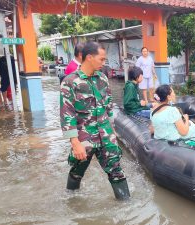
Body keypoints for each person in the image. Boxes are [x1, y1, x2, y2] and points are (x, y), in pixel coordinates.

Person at [60, 41, 130, 200]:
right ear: (89, 57)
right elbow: (66, 114)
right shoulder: (70, 82)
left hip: (106, 134)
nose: (104, 63)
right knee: (78, 172)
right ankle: (72, 200)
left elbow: (109, 106)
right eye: (102, 59)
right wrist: (75, 143)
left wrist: (113, 133)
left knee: (116, 171)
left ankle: (126, 206)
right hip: (85, 138)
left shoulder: (103, 79)